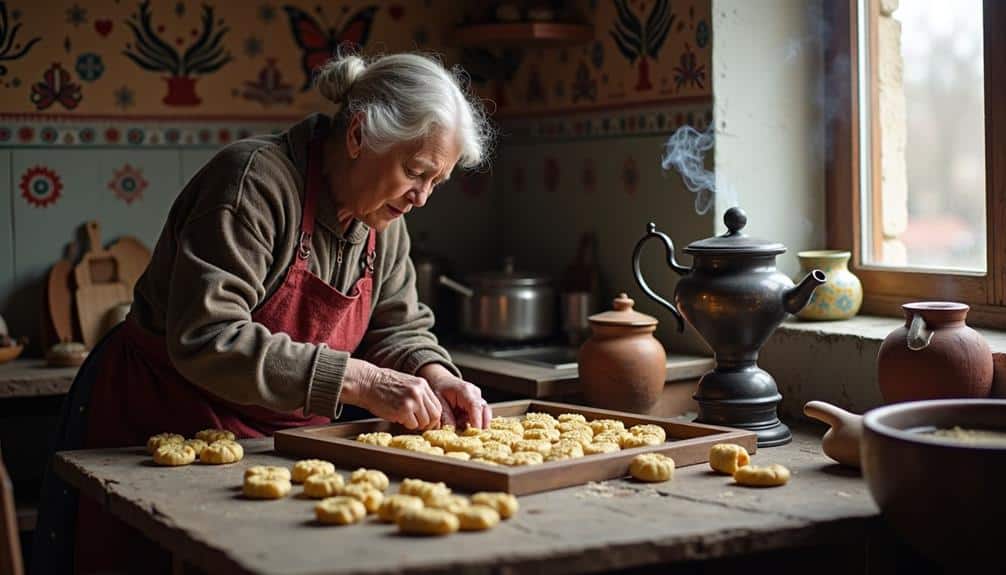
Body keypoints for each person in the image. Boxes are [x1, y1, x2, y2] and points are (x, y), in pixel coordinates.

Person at [33, 52, 495, 574]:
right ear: (359, 135)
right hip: (165, 416)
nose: (422, 198)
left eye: (437, 182)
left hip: (280, 444)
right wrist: (358, 378)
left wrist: (434, 375)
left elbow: (398, 327)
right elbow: (208, 336)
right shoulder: (253, 184)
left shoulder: (382, 221)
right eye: (416, 173)